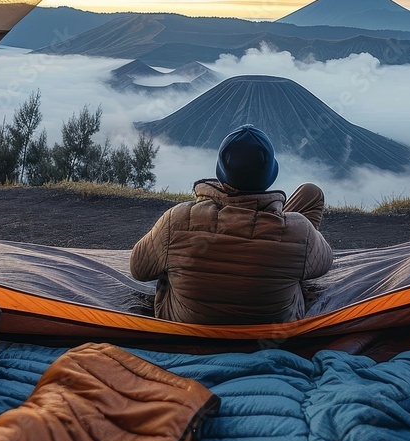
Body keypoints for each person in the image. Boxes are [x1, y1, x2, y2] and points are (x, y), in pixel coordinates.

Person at [130, 124, 333, 325]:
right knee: (310, 195)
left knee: (169, 254)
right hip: (269, 331)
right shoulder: (301, 230)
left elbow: (139, 269)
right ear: (270, 174)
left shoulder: (178, 219)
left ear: (220, 173)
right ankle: (285, 260)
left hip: (188, 327)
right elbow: (324, 264)